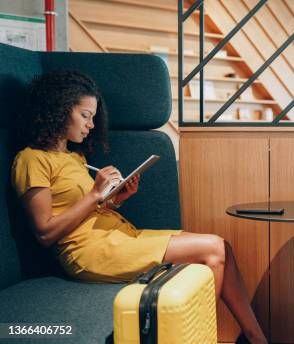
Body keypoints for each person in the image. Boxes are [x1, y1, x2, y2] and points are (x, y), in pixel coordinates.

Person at [11, 71, 267, 344]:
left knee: (222, 246)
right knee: (211, 249)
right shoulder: (31, 159)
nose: (91, 125)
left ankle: (254, 337)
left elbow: (87, 210)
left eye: (93, 117)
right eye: (85, 115)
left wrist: (115, 199)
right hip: (88, 252)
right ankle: (201, 337)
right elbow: (45, 233)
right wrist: (95, 194)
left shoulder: (75, 157)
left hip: (119, 236)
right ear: (59, 110)